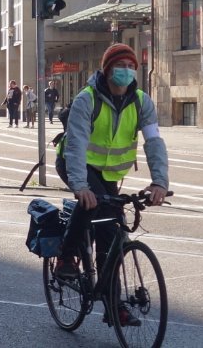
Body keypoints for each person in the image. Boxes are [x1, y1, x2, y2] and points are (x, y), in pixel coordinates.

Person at [54, 43, 169, 325]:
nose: (127, 72)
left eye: (132, 67)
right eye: (121, 67)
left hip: (109, 173)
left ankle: (113, 306)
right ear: (107, 71)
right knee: (91, 204)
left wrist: (159, 182)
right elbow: (78, 143)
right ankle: (66, 259)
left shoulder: (142, 101)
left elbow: (153, 142)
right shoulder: (87, 99)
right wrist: (80, 186)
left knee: (110, 232)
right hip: (76, 165)